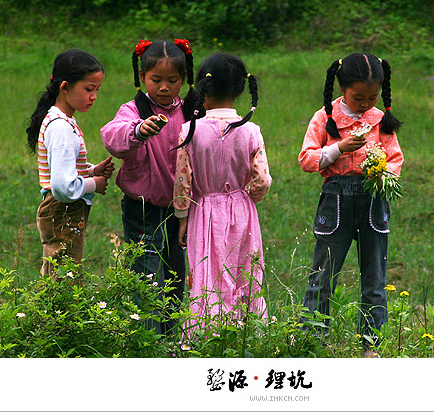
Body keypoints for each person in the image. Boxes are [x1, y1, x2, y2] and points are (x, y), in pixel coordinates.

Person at [298, 53, 404, 357]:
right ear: (342, 88)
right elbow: (307, 159)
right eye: (358, 97)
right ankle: (312, 341)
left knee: (374, 279)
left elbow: (396, 158)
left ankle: (372, 346)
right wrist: (338, 149)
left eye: (372, 97)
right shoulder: (325, 117)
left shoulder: (380, 120)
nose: (365, 104)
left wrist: (383, 174)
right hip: (336, 200)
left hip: (374, 199)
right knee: (323, 273)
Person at [100, 39, 198, 334]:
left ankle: (169, 339)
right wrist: (138, 131)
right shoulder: (134, 110)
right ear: (142, 77)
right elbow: (111, 136)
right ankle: (145, 339)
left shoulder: (193, 110)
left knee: (174, 275)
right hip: (141, 209)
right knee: (144, 273)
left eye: (173, 80)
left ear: (184, 79)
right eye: (156, 80)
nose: (164, 87)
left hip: (180, 212)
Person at [173, 53, 272, 330]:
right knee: (244, 269)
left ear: (202, 88)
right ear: (241, 89)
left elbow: (182, 182)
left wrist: (182, 216)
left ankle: (205, 333)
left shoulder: (189, 131)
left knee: (207, 271)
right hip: (242, 209)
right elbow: (262, 180)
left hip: (203, 210)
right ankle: (247, 330)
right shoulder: (251, 131)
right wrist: (247, 198)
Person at [26, 49, 115, 279]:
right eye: (88, 89)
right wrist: (93, 183)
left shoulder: (63, 120)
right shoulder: (61, 127)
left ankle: (49, 315)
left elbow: (64, 169)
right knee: (63, 282)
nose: (94, 96)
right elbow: (63, 187)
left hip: (62, 211)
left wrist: (92, 171)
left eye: (97, 90)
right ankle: (52, 316)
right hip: (62, 210)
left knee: (61, 276)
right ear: (65, 87)